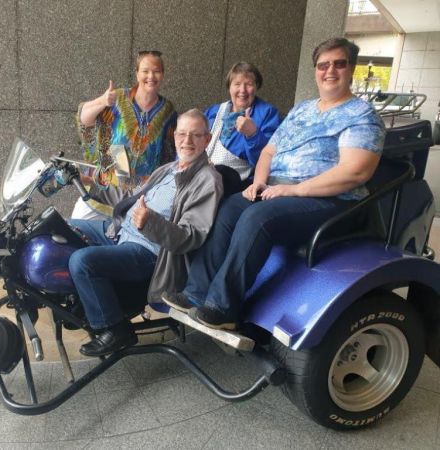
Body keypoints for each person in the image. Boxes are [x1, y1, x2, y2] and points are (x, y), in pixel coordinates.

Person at [162, 37, 386, 330]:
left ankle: (223, 307)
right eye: (323, 65)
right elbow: (268, 151)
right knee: (230, 207)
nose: (330, 70)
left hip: (331, 200)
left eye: (339, 64)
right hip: (280, 190)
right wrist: (258, 182)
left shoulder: (361, 115)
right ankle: (195, 292)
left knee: (258, 217)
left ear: (351, 68)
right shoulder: (302, 110)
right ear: (315, 70)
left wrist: (293, 190)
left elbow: (355, 173)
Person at [68, 109, 223, 356]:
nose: (187, 141)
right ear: (174, 137)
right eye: (182, 134)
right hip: (117, 232)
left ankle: (115, 328)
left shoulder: (208, 180)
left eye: (196, 135)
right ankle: (78, 301)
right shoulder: (168, 169)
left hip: (148, 253)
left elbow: (191, 236)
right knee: (63, 226)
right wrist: (89, 185)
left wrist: (150, 222)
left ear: (208, 139)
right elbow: (128, 196)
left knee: (82, 262)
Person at [73, 50, 177, 220]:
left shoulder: (168, 112)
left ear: (163, 75)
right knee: (77, 232)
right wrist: (102, 101)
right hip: (102, 190)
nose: (151, 76)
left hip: (136, 200)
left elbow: (170, 155)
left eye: (156, 71)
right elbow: (85, 119)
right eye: (145, 71)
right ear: (137, 74)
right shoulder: (118, 98)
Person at [204, 62, 281, 193]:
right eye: (237, 84)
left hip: (238, 182)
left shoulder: (268, 114)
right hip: (203, 175)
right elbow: (190, 139)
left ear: (256, 87)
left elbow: (268, 161)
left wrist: (253, 134)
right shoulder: (214, 111)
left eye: (249, 84)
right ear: (229, 87)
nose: (242, 90)